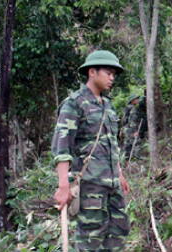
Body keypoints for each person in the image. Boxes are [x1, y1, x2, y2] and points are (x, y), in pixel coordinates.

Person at [52, 50, 131, 251]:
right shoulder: (75, 103)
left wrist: (120, 174)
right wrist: (63, 186)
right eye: (108, 72)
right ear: (92, 72)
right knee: (90, 238)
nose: (112, 78)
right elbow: (62, 148)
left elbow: (112, 142)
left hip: (112, 184)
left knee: (120, 230)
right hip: (90, 185)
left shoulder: (109, 106)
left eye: (114, 73)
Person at [120, 93, 140, 158]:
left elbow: (123, 121)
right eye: (136, 99)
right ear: (132, 101)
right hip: (130, 129)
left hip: (125, 129)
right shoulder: (133, 108)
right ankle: (138, 161)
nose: (137, 100)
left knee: (127, 146)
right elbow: (132, 120)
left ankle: (124, 162)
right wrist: (134, 131)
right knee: (138, 144)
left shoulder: (127, 108)